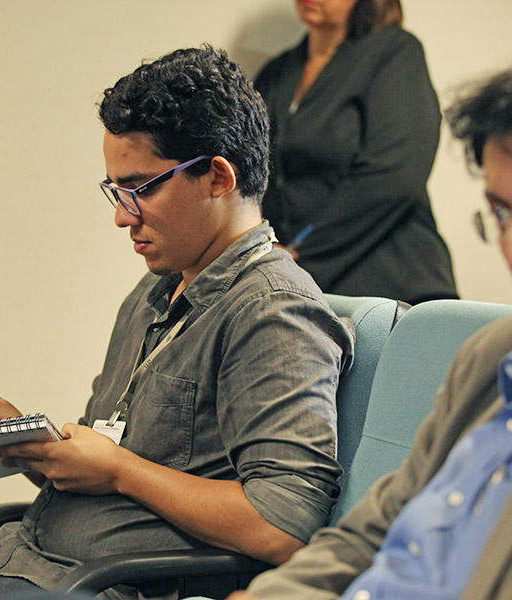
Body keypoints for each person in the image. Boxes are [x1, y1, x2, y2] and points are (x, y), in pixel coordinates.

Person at [0, 45, 353, 600]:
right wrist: (36, 446)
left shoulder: (273, 310)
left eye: (141, 188)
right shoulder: (153, 292)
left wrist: (116, 470)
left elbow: (286, 526)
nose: (121, 215)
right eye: (115, 190)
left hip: (96, 586)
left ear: (218, 178)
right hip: (18, 555)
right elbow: (105, 463)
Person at [219, 66, 512, 600]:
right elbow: (369, 534)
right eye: (503, 214)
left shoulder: (272, 302)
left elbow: (280, 519)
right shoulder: (489, 359)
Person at [253, 0, 457, 304]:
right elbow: (252, 175)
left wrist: (302, 252)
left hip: (393, 284)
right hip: (304, 290)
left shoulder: (394, 50)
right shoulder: (276, 73)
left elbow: (397, 174)